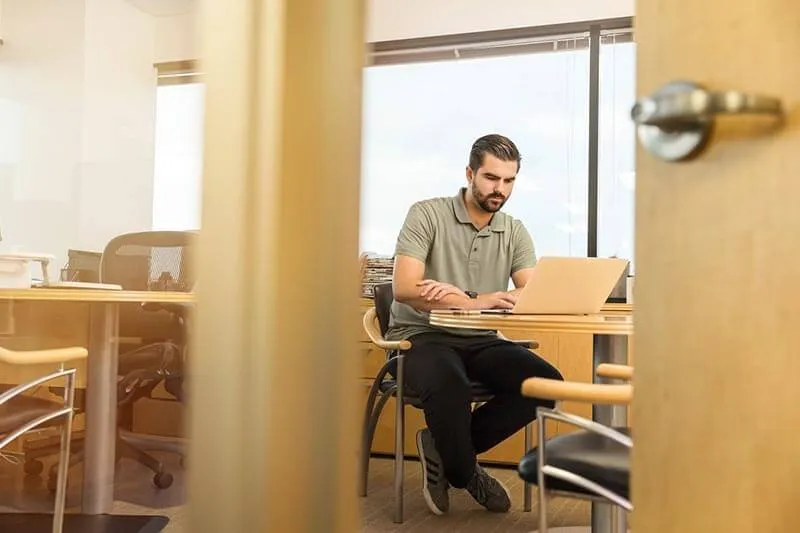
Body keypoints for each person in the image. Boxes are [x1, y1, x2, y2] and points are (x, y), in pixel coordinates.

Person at [385, 133, 564, 515]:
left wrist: (460, 297)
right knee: (450, 383)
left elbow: (528, 295)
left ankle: (445, 449)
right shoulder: (427, 213)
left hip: (482, 338)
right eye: (491, 178)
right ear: (470, 173)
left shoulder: (514, 230)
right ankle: (467, 473)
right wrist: (477, 299)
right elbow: (404, 287)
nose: (500, 189)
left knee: (544, 385)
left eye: (509, 180)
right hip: (421, 335)